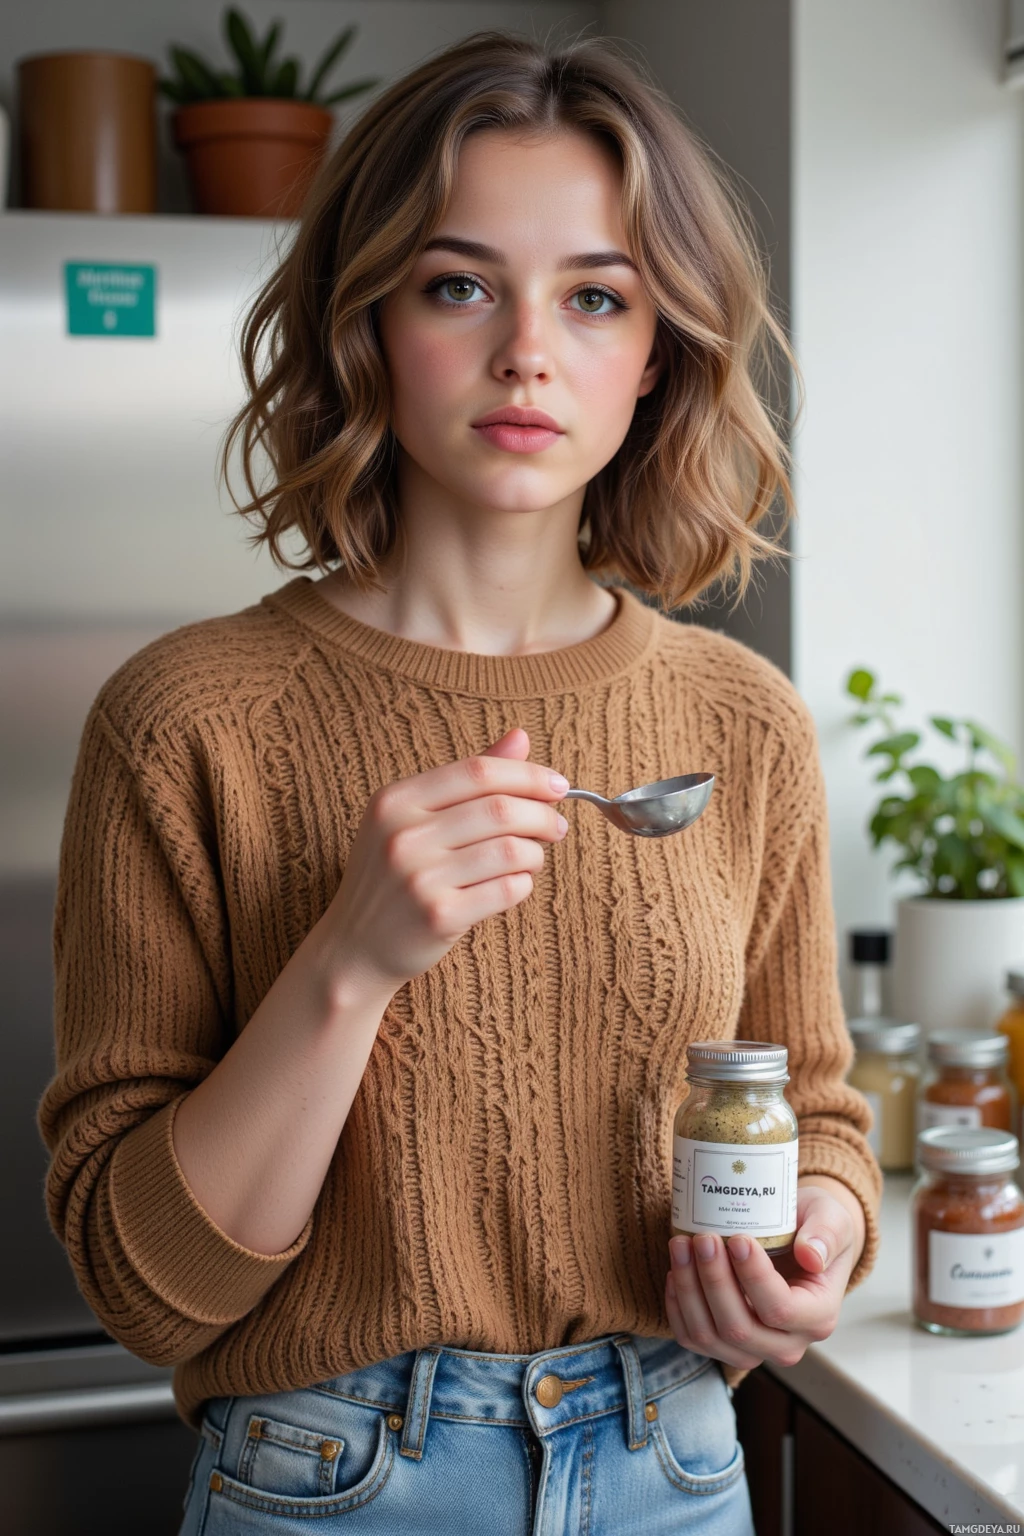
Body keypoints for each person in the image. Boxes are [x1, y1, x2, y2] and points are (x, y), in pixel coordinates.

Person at [39, 28, 880, 1536]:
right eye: (459, 283)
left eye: (597, 296)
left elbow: (811, 1109)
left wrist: (813, 1242)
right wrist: (349, 961)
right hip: (328, 1479)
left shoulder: (742, 723)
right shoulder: (184, 721)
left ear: (658, 355)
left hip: (677, 1467)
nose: (527, 352)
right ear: (367, 320)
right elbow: (146, 1289)